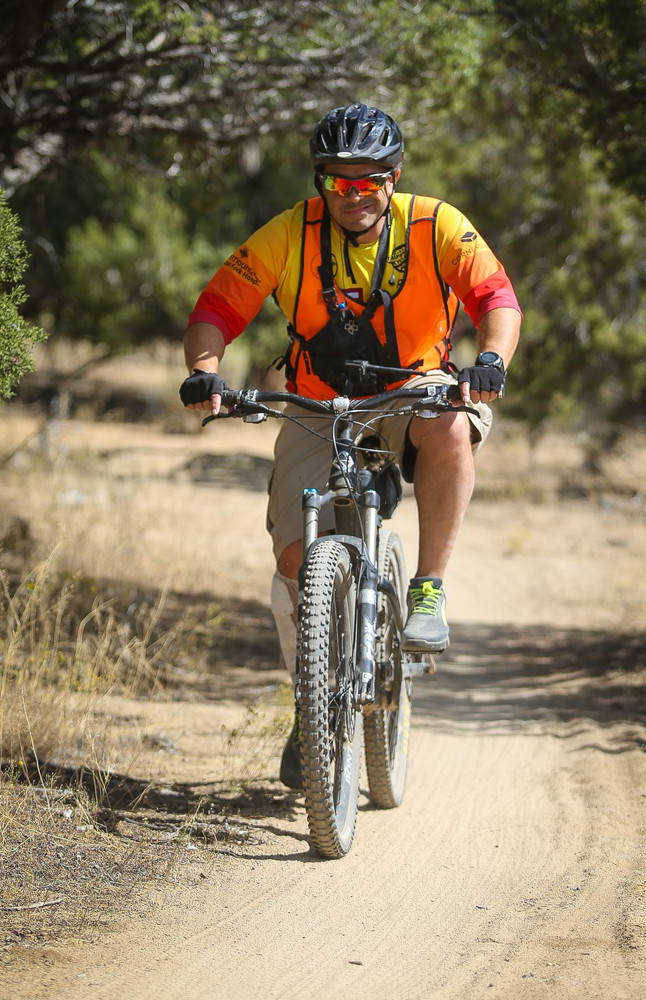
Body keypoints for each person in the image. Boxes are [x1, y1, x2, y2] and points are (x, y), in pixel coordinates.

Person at [179, 102, 522, 787]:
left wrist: (489, 361)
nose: (353, 194)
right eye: (339, 181)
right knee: (292, 559)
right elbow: (216, 307)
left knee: (451, 422)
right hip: (316, 404)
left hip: (414, 392)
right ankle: (311, 702)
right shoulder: (290, 233)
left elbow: (496, 298)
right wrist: (205, 371)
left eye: (369, 181)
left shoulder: (435, 224)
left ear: (393, 178)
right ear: (321, 181)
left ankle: (427, 590)